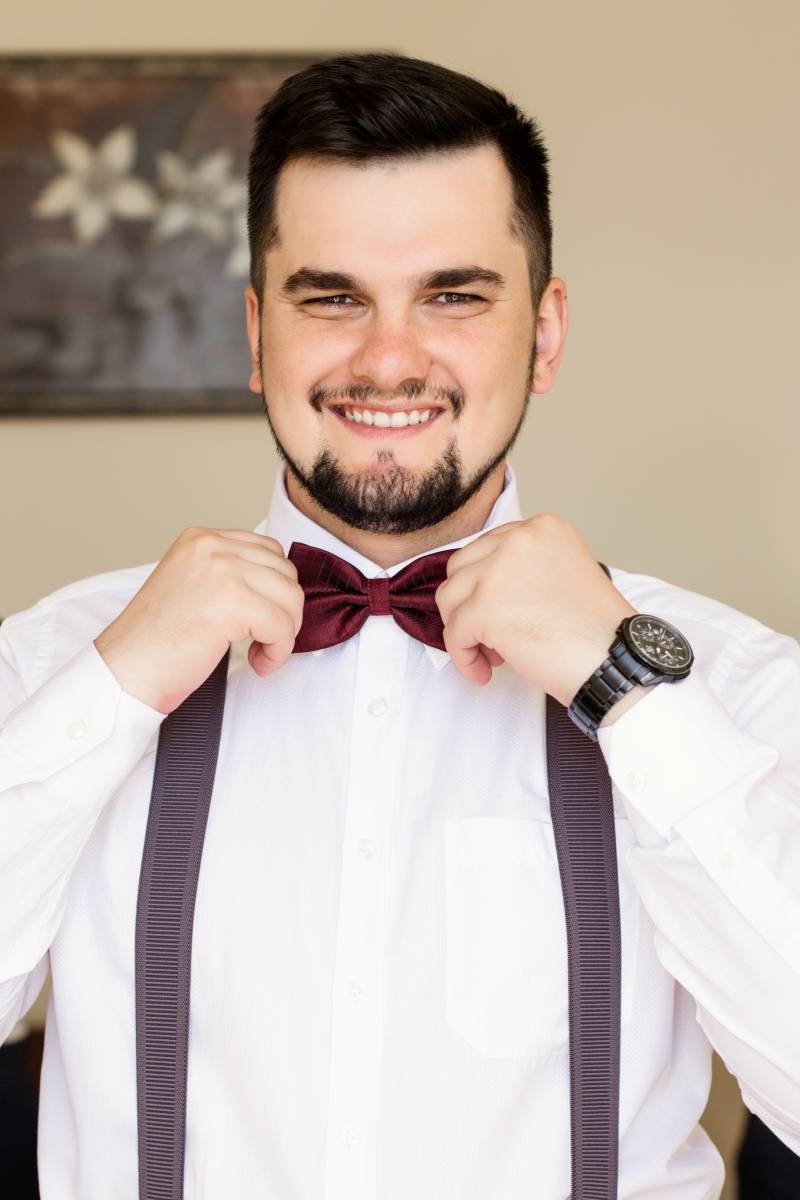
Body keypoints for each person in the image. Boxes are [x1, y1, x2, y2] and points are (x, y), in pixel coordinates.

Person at [1, 51, 798, 1200]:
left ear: (544, 335)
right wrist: (109, 692)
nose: (387, 360)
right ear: (254, 334)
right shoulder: (54, 661)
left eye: (453, 296)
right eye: (331, 298)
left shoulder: (730, 686)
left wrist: (627, 692)